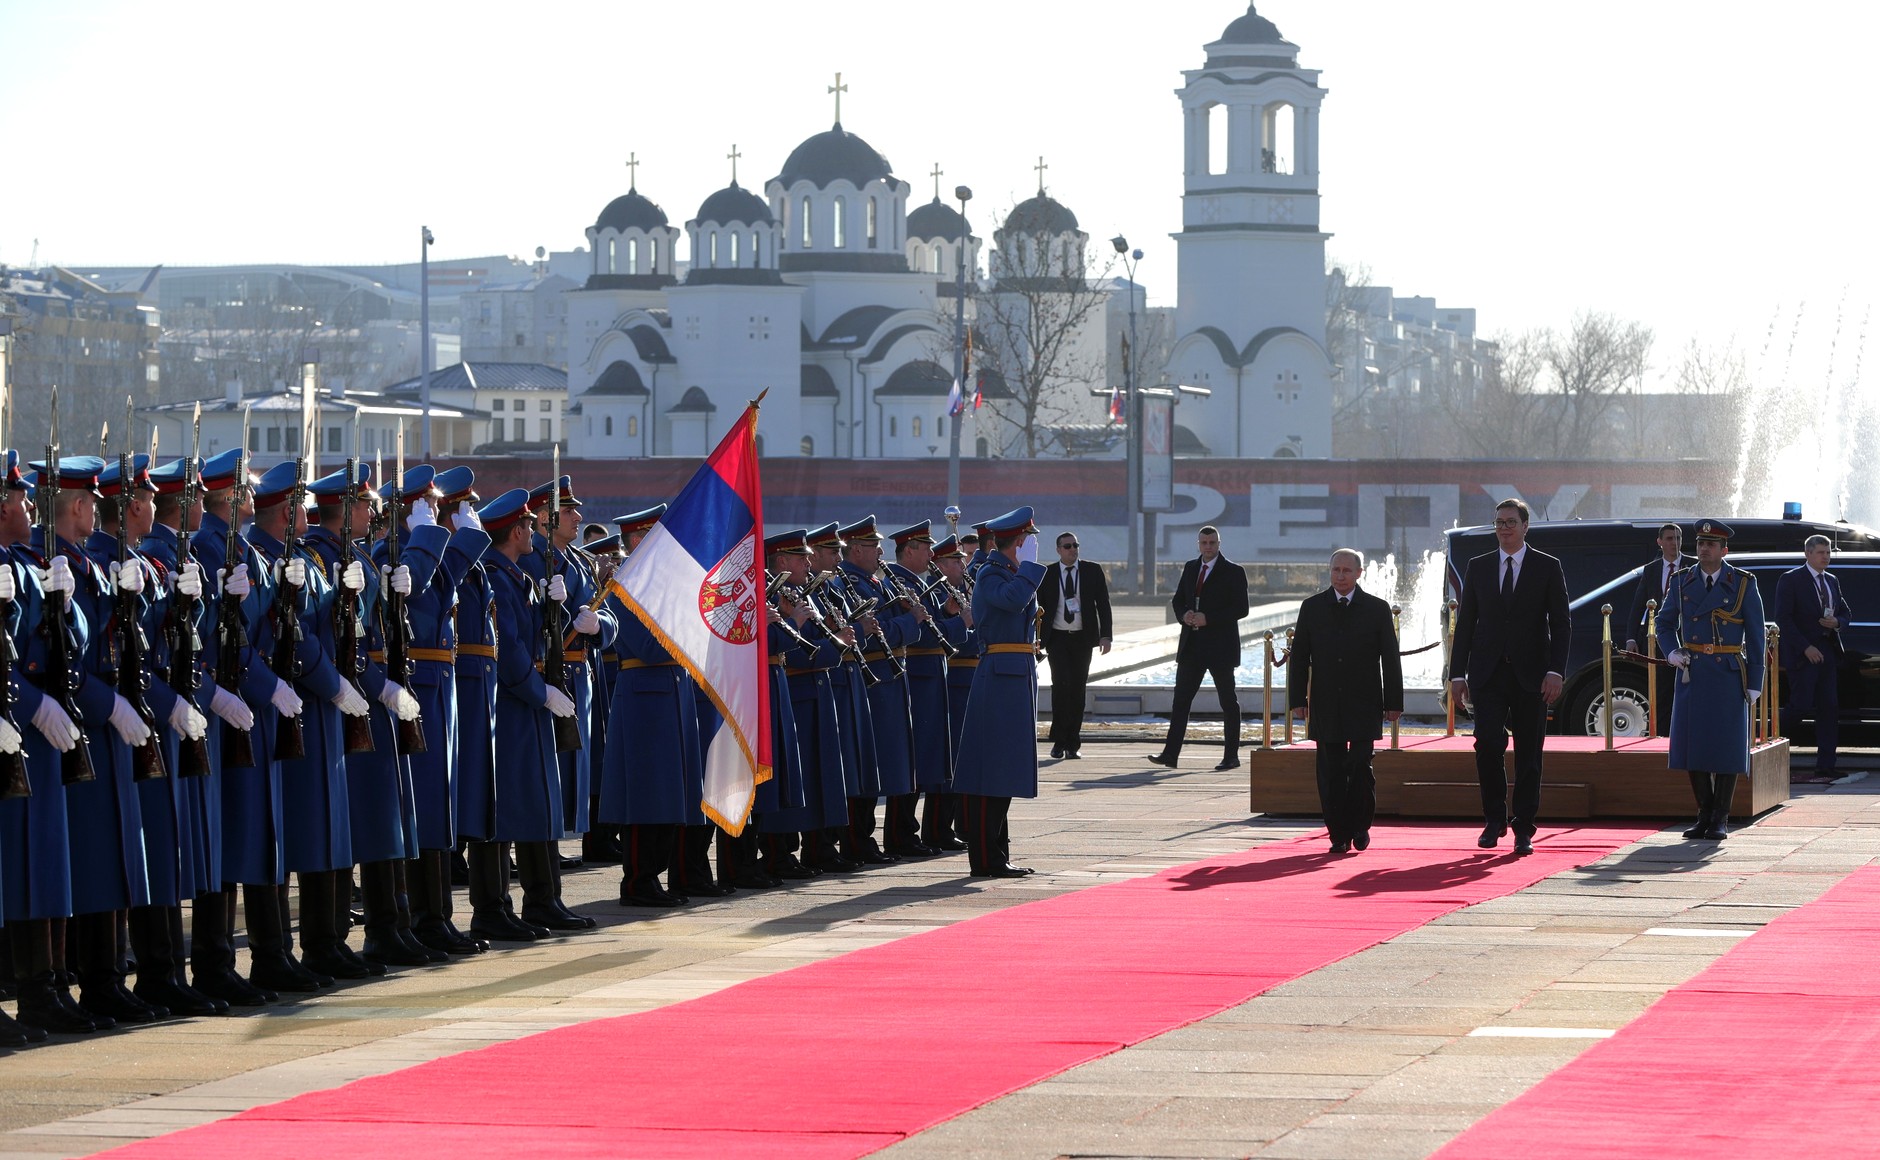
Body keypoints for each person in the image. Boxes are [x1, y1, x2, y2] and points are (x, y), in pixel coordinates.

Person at [1448, 498, 1571, 856]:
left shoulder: (1547, 566)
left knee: (1529, 752)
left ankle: (1524, 827)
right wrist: (1457, 674)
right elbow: (1466, 623)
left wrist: (1555, 671)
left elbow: (1561, 623)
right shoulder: (1479, 566)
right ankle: (1494, 819)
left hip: (1533, 676)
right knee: (1487, 744)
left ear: (1525, 526)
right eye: (1499, 522)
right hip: (1487, 674)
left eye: (1510, 522)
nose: (1504, 528)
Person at [952, 507, 1047, 877]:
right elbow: (1012, 601)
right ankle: (986, 858)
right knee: (991, 770)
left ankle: (997, 854)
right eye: (1027, 539)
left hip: (1016, 675)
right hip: (1000, 677)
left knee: (1004, 771)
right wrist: (1031, 569)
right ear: (1018, 541)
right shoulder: (992, 574)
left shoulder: (1008, 573)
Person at [1288, 549, 1403, 854]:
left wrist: (1394, 702)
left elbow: (1390, 659)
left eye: (1347, 571)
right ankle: (1338, 833)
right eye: (1336, 570)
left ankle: (1360, 825)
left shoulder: (1377, 609)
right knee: (1330, 769)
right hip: (1325, 702)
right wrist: (1297, 699)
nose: (1340, 576)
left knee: (1361, 764)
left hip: (1365, 701)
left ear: (1359, 573)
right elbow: (1299, 657)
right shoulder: (1312, 607)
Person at [1656, 520, 1766, 840]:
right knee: (1695, 746)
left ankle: (1721, 817)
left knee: (1727, 746)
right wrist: (1671, 651)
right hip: (1694, 672)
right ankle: (1703, 814)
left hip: (1728, 672)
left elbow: (1756, 635)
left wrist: (1755, 679)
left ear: (1724, 550)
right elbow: (1664, 624)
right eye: (1701, 543)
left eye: (1711, 544)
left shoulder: (1743, 582)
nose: (1704, 549)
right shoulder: (1681, 581)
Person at [1148, 525, 1250, 772]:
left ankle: (1231, 756)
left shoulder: (1234, 571)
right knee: (1180, 701)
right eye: (1204, 543)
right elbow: (1177, 600)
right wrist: (1185, 615)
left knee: (1228, 701)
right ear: (1198, 544)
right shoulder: (1191, 567)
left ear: (1219, 544)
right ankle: (1170, 754)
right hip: (1192, 646)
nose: (1208, 547)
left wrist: (1209, 618)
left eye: (1212, 543)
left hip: (1220, 648)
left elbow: (1241, 608)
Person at [1774, 534, 1850, 785]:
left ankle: (1826, 766)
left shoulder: (1832, 581)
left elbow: (1845, 611)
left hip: (1828, 653)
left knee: (1829, 709)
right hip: (1803, 655)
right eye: (1820, 552)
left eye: (1827, 553)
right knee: (1799, 706)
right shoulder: (1791, 580)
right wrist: (1806, 647)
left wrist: (1837, 622)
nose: (1825, 557)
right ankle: (1764, 747)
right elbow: (1783, 618)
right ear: (1807, 554)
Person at [1037, 531, 1112, 760]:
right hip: (1058, 638)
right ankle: (1058, 741)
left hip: (1082, 638)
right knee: (1060, 688)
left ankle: (1073, 743)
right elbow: (1038, 609)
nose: (1073, 549)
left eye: (1075, 545)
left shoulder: (1091, 570)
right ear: (1058, 550)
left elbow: (1103, 604)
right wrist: (1037, 638)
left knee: (1078, 690)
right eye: (1067, 546)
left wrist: (1106, 636)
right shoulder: (1048, 574)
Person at [1626, 522, 1692, 732]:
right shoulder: (1651, 570)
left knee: (1687, 693)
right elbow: (1637, 606)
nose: (1675, 543)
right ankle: (1663, 739)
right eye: (1670, 539)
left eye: (1678, 538)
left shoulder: (1693, 567)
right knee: (1661, 693)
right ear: (1660, 542)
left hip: (1688, 641)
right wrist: (1631, 638)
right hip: (1660, 643)